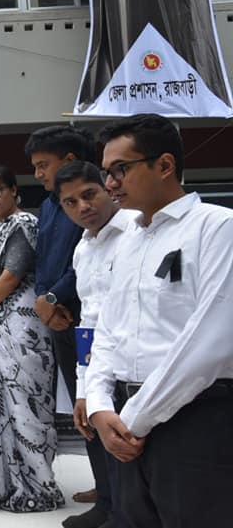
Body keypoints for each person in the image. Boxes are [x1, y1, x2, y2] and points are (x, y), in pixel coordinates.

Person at [86, 114, 233, 528]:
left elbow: (212, 341)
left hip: (195, 420)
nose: (110, 182)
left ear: (164, 165)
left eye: (121, 169)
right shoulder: (128, 240)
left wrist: (136, 418)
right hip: (125, 424)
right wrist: (99, 405)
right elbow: (107, 330)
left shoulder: (217, 227)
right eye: (106, 171)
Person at [0, 165, 63, 512]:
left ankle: (36, 486)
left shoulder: (25, 224)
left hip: (23, 327)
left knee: (25, 405)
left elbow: (10, 277)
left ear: (14, 192)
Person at [24, 125, 105, 512]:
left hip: (82, 313)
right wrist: (44, 300)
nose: (38, 174)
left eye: (43, 165)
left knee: (101, 401)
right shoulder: (48, 206)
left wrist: (57, 298)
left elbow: (83, 259)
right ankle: (102, 484)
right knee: (81, 404)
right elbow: (44, 260)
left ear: (70, 161)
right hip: (56, 316)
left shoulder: (87, 205)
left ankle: (112, 493)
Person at [57, 160, 138, 528]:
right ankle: (108, 506)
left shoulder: (136, 234)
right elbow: (88, 322)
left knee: (134, 461)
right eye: (70, 203)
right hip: (100, 366)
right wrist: (84, 387)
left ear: (107, 188)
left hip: (137, 367)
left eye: (88, 195)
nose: (82, 207)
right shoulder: (83, 248)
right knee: (103, 444)